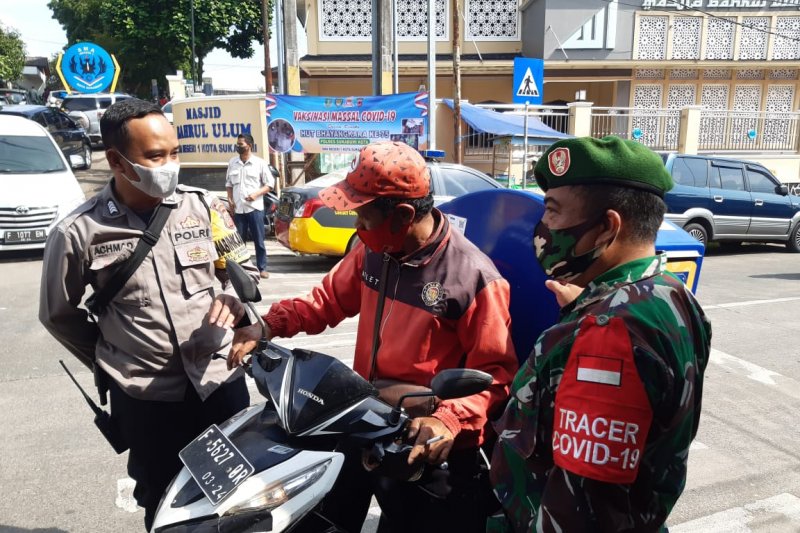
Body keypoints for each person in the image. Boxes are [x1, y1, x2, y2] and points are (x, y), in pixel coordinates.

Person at [228, 141, 519, 533]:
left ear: (401, 215)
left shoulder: (472, 279)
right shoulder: (374, 251)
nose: (356, 229)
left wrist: (448, 420)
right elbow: (327, 300)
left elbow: (497, 375)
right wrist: (267, 325)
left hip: (424, 445)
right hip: (366, 420)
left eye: (363, 218)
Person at [39, 98, 258, 530]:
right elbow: (58, 315)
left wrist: (237, 302)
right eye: (156, 156)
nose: (170, 165)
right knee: (164, 501)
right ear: (117, 161)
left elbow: (244, 272)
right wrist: (113, 356)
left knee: (237, 498)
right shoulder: (78, 232)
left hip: (218, 383)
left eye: (174, 152)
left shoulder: (205, 207)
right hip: (145, 399)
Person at [488, 136, 712, 532]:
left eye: (553, 212)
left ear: (607, 227)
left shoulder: (608, 333)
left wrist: (592, 324)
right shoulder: (671, 293)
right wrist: (584, 307)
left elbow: (581, 513)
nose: (543, 227)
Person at [226, 133, 274, 279]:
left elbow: (270, 184)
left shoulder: (260, 163)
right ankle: (240, 268)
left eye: (241, 144)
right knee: (239, 242)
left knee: (259, 240)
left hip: (255, 208)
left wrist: (256, 194)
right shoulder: (233, 162)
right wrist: (230, 200)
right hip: (239, 209)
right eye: (237, 144)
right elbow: (228, 184)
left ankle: (262, 268)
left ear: (249, 146)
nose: (238, 147)